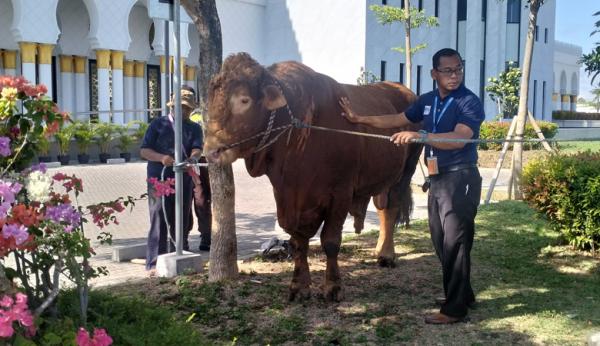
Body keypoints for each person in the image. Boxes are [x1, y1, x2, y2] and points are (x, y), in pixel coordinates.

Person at [340, 48, 484, 324]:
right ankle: (462, 294)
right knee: (441, 241)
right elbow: (398, 119)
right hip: (437, 179)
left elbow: (460, 138)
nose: (454, 76)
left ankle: (454, 310)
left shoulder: (469, 102)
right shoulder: (428, 101)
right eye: (447, 71)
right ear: (434, 74)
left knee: (455, 242)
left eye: (458, 69)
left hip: (461, 178)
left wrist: (420, 136)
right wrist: (361, 120)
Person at [140, 87, 203, 273]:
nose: (183, 111)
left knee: (181, 217)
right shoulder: (158, 124)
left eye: (187, 108)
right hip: (159, 178)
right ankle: (154, 263)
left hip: (182, 177)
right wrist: (161, 158)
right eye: (180, 107)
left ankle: (180, 256)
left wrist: (193, 159)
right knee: (158, 215)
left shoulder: (194, 128)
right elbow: (144, 151)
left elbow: (197, 148)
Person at [188, 106, 212, 252]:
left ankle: (206, 236)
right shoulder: (175, 120)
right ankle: (183, 237)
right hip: (184, 165)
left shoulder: (201, 114)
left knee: (202, 201)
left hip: (200, 164)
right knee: (184, 203)